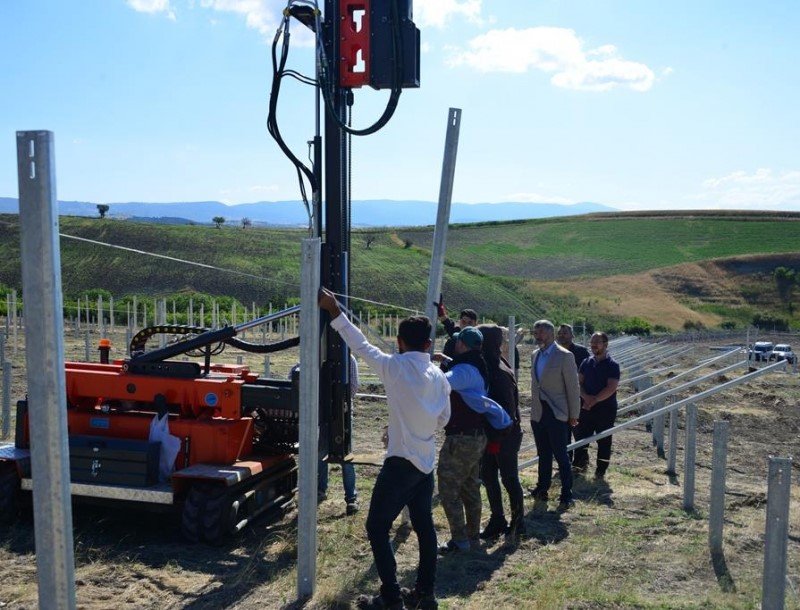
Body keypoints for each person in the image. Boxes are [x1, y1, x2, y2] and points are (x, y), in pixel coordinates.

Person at [318, 288, 449, 610]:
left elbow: (360, 345)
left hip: (401, 463)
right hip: (425, 463)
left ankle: (391, 596)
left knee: (376, 526)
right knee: (425, 528)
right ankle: (425, 592)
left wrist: (335, 310)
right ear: (429, 345)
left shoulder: (394, 367)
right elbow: (444, 419)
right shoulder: (440, 377)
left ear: (401, 342)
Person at [433, 327, 512, 554]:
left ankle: (460, 540)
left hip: (461, 438)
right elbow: (459, 372)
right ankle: (471, 535)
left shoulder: (465, 369)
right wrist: (446, 359)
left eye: (457, 343)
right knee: (469, 487)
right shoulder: (477, 363)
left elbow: (440, 383)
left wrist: (424, 365)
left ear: (462, 346)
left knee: (448, 489)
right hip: (474, 437)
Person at [477, 324, 525, 543]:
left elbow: (507, 411)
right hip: (493, 434)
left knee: (509, 477)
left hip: (504, 434)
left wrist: (497, 438)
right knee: (488, 475)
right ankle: (498, 519)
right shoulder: (491, 363)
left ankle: (518, 522)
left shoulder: (497, 370)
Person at [529, 319, 581, 512]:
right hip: (539, 412)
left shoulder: (564, 356)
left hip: (557, 412)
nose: (537, 336)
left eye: (540, 332)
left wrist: (574, 413)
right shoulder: (535, 355)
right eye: (535, 332)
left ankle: (566, 493)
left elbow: (573, 388)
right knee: (543, 454)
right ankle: (542, 488)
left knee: (561, 455)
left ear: (551, 334)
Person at [316, 354, 360, 514]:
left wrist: (338, 402)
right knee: (320, 452)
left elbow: (353, 387)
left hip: (343, 415)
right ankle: (320, 491)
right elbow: (296, 373)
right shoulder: (315, 355)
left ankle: (351, 497)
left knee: (346, 456)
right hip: (321, 414)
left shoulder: (349, 359)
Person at [573, 332, 621, 479]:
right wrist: (586, 397)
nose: (593, 345)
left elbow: (611, 387)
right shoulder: (586, 362)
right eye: (592, 342)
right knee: (581, 436)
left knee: (604, 439)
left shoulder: (613, 365)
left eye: (597, 342)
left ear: (605, 345)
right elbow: (578, 383)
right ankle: (579, 465)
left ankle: (601, 470)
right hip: (586, 407)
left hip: (605, 409)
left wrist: (594, 400)